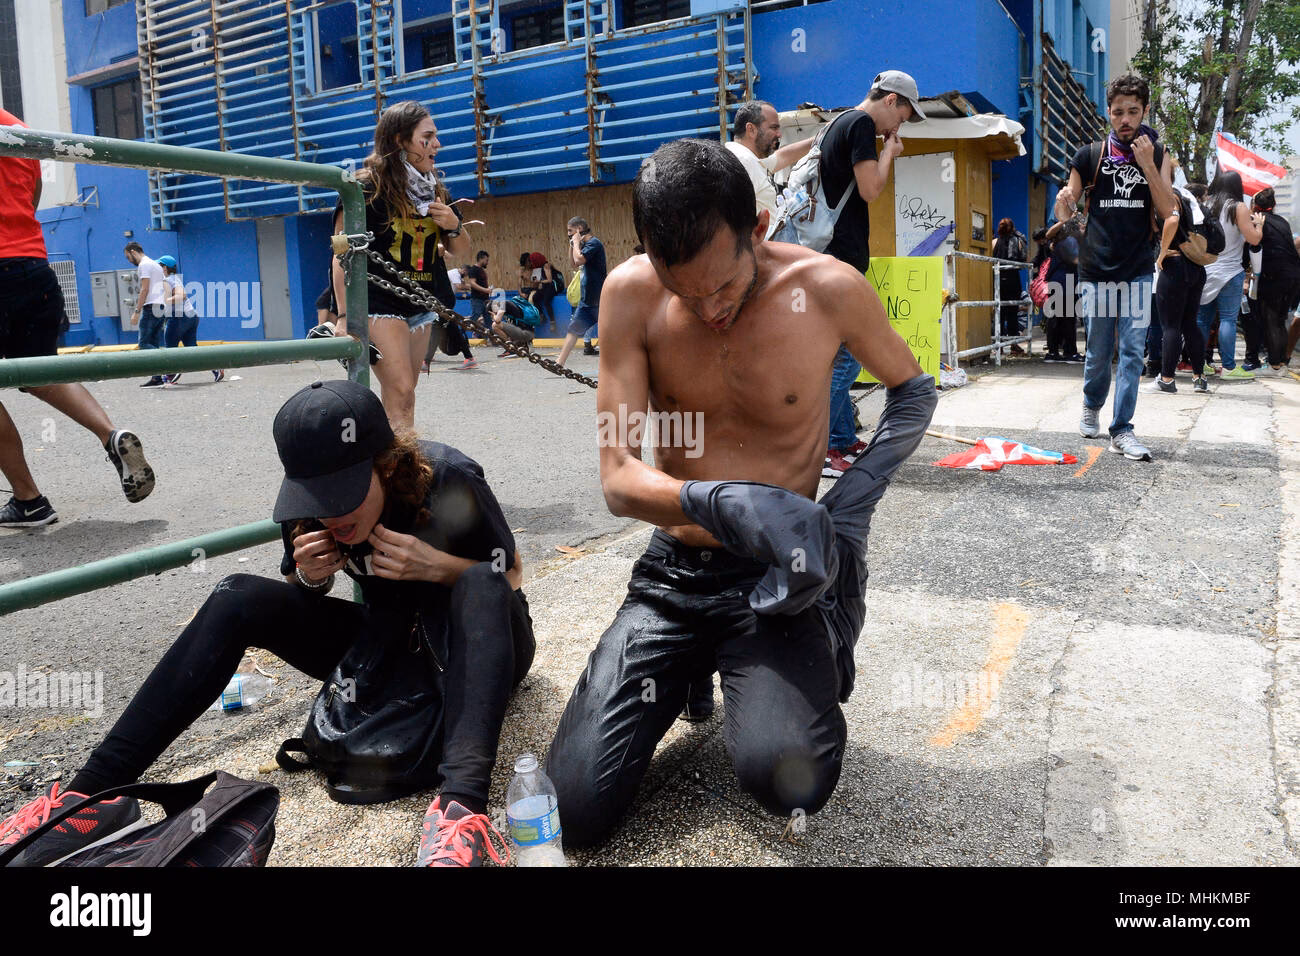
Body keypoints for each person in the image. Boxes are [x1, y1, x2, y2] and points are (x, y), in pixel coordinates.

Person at [544, 138, 936, 849]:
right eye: (683, 292)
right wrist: (719, 503)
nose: (708, 309)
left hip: (777, 581)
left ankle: (826, 627)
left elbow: (913, 394)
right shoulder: (629, 294)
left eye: (723, 286)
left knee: (790, 777)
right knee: (572, 812)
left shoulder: (828, 288)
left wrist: (847, 512)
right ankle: (686, 661)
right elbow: (618, 476)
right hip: (675, 575)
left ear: (759, 228)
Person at [0, 380, 533, 868]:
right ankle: (95, 794)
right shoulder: (308, 508)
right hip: (386, 648)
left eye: (345, 495)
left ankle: (461, 812)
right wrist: (312, 576)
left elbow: (509, 576)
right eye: (318, 500)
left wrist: (436, 567)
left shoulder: (447, 478)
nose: (332, 516)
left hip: (482, 644)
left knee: (478, 582)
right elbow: (304, 591)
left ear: (386, 466)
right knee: (238, 595)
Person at [0, 108, 155, 527]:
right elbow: (30, 199)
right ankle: (110, 434)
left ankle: (28, 499)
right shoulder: (17, 128)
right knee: (39, 372)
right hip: (32, 265)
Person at [1053, 73, 1177, 462]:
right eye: (1119, 112)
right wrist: (1064, 203)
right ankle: (1091, 401)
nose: (1125, 119)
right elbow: (1068, 203)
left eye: (1133, 112)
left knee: (1132, 354)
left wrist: (1148, 165)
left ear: (1144, 112)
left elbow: (1167, 209)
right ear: (1109, 112)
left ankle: (1122, 429)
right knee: (1099, 350)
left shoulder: (1157, 155)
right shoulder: (1089, 155)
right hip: (1096, 270)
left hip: (1138, 268)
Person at [808, 71, 925, 479]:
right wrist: (890, 151)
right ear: (891, 100)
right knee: (842, 360)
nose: (899, 126)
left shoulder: (836, 123)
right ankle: (822, 448)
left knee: (845, 355)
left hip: (831, 255)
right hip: (840, 257)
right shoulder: (859, 125)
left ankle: (839, 437)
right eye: (904, 115)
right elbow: (871, 189)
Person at [329, 100, 471, 428]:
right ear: (400, 140)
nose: (438, 144)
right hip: (378, 302)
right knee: (401, 390)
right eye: (428, 137)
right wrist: (343, 316)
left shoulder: (433, 188)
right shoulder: (364, 187)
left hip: (420, 304)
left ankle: (393, 461)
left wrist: (453, 224)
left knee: (405, 395)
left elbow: (461, 247)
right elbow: (340, 253)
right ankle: (398, 470)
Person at [1195, 170, 1264, 380]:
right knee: (1227, 319)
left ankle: (1200, 365)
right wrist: (1259, 226)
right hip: (1230, 271)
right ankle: (1228, 367)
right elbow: (1253, 239)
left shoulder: (1205, 205)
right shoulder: (1238, 207)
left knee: (1201, 320)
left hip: (1205, 268)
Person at [1144, 186, 1211, 395]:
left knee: (1170, 326)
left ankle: (1166, 379)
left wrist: (1162, 254)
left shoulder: (1169, 195)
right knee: (1189, 323)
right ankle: (1199, 378)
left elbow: (1172, 221)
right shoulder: (1188, 200)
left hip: (1175, 266)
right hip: (1195, 267)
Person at [725, 100, 814, 220]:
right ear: (751, 129)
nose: (779, 135)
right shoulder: (743, 162)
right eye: (774, 128)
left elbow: (783, 156)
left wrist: (820, 138)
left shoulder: (750, 159)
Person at [1251, 187, 1300, 373]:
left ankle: (1274, 365)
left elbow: (1254, 243)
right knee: (1280, 319)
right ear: (1274, 204)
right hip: (1293, 275)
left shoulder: (1257, 222)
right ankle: (1280, 363)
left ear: (1256, 205)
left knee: (1271, 319)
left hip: (1274, 276)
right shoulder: (1282, 221)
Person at [156, 256, 225, 384]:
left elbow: (182, 295)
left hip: (179, 318)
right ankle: (215, 368)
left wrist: (165, 300)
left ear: (164, 268)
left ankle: (171, 375)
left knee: (170, 348)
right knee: (193, 349)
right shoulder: (174, 279)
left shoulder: (168, 280)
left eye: (158, 266)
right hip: (191, 317)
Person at [557, 216, 606, 366]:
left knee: (610, 332)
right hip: (587, 300)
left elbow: (579, 260)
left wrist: (577, 243)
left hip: (600, 299)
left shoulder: (594, 244)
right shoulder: (583, 245)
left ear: (579, 229)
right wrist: (572, 245)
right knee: (573, 330)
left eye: (570, 231)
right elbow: (573, 263)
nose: (568, 234)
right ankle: (559, 362)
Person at [124, 241, 169, 389]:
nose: (129, 261)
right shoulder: (155, 265)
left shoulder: (144, 265)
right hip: (161, 306)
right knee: (154, 343)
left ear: (133, 252)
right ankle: (157, 378)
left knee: (144, 343)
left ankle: (169, 364)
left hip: (151, 307)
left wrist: (136, 312)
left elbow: (144, 289)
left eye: (128, 257)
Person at [1040, 220, 1084, 364]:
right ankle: (1070, 352)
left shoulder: (1056, 243)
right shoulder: (1071, 241)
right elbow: (1077, 260)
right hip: (1067, 283)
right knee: (1068, 320)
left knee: (1055, 319)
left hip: (1055, 282)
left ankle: (1053, 352)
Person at [992, 218, 1028, 353]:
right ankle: (1014, 345)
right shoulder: (1019, 242)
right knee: (1013, 312)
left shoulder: (994, 242)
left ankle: (998, 346)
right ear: (1012, 228)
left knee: (999, 312)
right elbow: (1025, 258)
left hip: (998, 280)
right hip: (1013, 280)